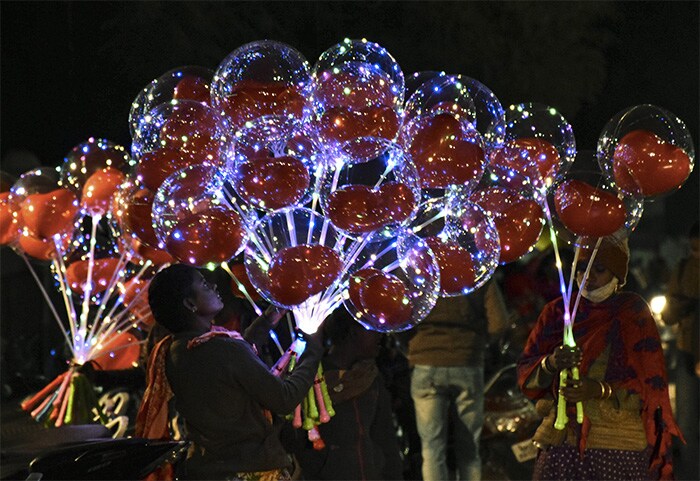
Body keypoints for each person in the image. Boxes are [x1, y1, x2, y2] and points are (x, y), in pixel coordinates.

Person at [517, 238, 683, 480]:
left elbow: (648, 386)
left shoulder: (632, 312)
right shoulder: (557, 311)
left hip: (616, 442)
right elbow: (527, 375)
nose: (588, 276)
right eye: (582, 268)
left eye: (599, 270)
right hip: (562, 440)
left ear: (617, 276)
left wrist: (597, 389)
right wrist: (551, 363)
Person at [139, 263, 324, 480]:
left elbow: (238, 355)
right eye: (204, 285)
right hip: (252, 469)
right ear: (190, 303)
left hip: (207, 470)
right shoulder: (222, 349)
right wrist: (313, 352)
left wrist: (275, 312)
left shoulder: (175, 350)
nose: (214, 286)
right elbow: (284, 398)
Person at [406, 279, 511, 481]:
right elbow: (500, 322)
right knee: (470, 448)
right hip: (467, 362)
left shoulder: (417, 271)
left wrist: (415, 348)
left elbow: (399, 320)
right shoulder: (478, 272)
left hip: (426, 362)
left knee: (432, 448)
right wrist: (477, 345)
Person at [285, 308, 403, 480]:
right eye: (371, 329)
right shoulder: (312, 380)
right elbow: (295, 441)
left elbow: (386, 441)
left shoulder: (370, 378)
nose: (380, 336)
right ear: (352, 333)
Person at [662, 221, 699, 481]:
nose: (697, 254)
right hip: (688, 353)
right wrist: (680, 307)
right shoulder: (683, 268)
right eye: (694, 249)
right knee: (686, 424)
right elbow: (667, 315)